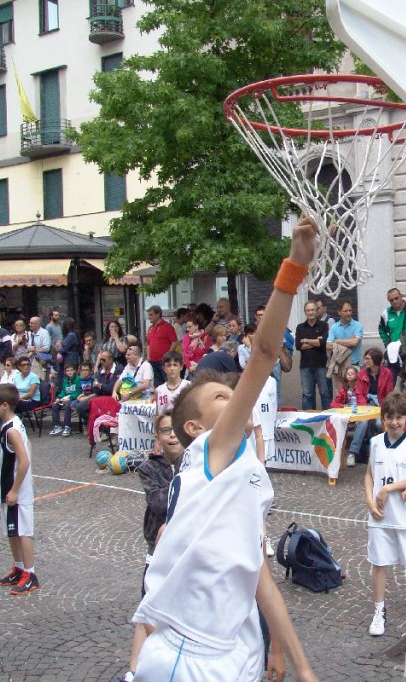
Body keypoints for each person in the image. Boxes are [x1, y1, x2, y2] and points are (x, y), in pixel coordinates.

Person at [131, 215, 319, 681]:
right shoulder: (211, 451)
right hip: (190, 651)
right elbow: (264, 354)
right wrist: (294, 266)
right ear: (195, 427)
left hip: (233, 644)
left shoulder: (238, 473)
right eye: (221, 397)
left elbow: (259, 577)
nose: (234, 398)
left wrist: (299, 664)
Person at [122, 411, 185, 682]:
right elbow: (158, 502)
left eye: (176, 429)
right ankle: (134, 670)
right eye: (166, 430)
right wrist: (185, 487)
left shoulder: (195, 463)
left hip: (186, 548)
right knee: (148, 604)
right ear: (157, 437)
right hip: (157, 548)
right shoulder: (149, 467)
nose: (172, 435)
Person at [364, 392, 406, 637]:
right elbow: (369, 474)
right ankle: (379, 610)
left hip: (405, 517)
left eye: (399, 417)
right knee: (378, 563)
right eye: (390, 417)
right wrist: (370, 500)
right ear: (383, 418)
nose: (394, 422)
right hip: (379, 516)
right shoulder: (376, 442)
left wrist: (390, 488)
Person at [0, 384, 39, 595]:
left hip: (15, 491)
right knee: (12, 530)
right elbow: (29, 447)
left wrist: (16, 489)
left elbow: (24, 460)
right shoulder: (11, 424)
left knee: (23, 531)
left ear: (4, 405)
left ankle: (30, 574)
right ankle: (18, 568)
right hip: (8, 488)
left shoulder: (12, 431)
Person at [347, 348, 396, 466]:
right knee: (363, 422)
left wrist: (384, 407)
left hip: (381, 404)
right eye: (365, 358)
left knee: (380, 424)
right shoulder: (361, 374)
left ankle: (381, 451)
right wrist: (364, 408)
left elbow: (389, 392)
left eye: (368, 358)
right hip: (366, 404)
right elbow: (359, 393)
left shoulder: (387, 373)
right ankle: (352, 453)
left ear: (376, 359)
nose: (365, 361)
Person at [296, 300, 331, 410]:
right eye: (308, 310)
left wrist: (306, 340)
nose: (310, 312)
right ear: (305, 312)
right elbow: (298, 346)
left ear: (316, 311)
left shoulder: (324, 325)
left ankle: (328, 418)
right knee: (307, 395)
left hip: (321, 365)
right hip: (305, 366)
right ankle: (308, 419)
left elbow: (323, 343)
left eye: (312, 310)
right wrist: (316, 341)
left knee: (325, 393)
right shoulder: (300, 327)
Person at [326, 299, 363, 396]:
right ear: (339, 312)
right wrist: (349, 342)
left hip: (353, 366)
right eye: (345, 311)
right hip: (338, 367)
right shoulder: (334, 327)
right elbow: (328, 346)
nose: (349, 313)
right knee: (339, 396)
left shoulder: (358, 325)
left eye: (350, 310)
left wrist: (337, 341)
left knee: (355, 395)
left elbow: (354, 342)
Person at [379, 288, 406, 352]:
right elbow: (381, 330)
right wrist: (387, 343)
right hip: (395, 353)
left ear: (401, 296)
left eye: (396, 298)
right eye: (391, 300)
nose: (394, 301)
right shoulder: (385, 313)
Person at [145, 306, 178, 388]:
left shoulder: (167, 327)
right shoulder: (150, 328)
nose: (149, 317)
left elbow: (174, 342)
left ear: (158, 314)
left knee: (168, 382)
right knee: (157, 385)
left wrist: (167, 355)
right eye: (149, 315)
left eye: (151, 315)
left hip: (164, 361)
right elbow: (148, 344)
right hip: (152, 361)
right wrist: (148, 356)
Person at [50, 363, 82, 436]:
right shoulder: (65, 380)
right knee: (55, 405)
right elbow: (63, 391)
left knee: (67, 406)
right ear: (65, 372)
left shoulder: (78, 379)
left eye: (71, 370)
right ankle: (57, 426)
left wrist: (70, 398)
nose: (70, 372)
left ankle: (67, 426)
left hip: (74, 399)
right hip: (65, 398)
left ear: (75, 371)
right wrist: (59, 398)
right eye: (68, 370)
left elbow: (78, 392)